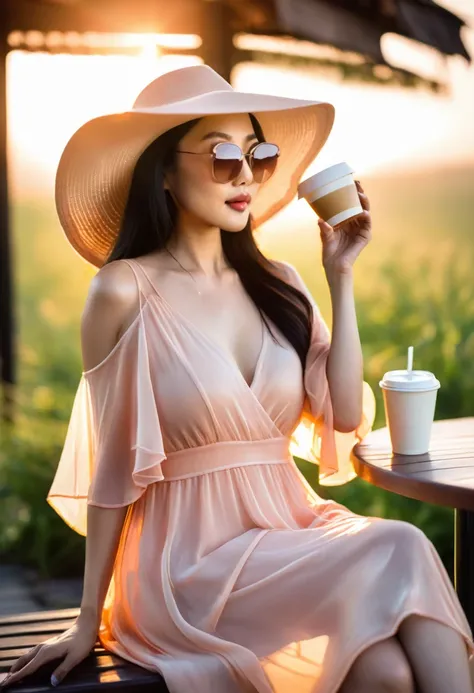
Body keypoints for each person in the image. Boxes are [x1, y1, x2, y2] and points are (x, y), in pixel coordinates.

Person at [2, 64, 473, 693]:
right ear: (163, 171)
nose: (246, 173)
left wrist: (341, 275)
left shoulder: (280, 283)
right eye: (224, 154)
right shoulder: (121, 291)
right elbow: (113, 467)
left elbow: (344, 416)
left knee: (385, 671)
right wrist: (90, 618)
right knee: (405, 543)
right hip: (184, 565)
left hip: (286, 533)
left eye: (260, 154)